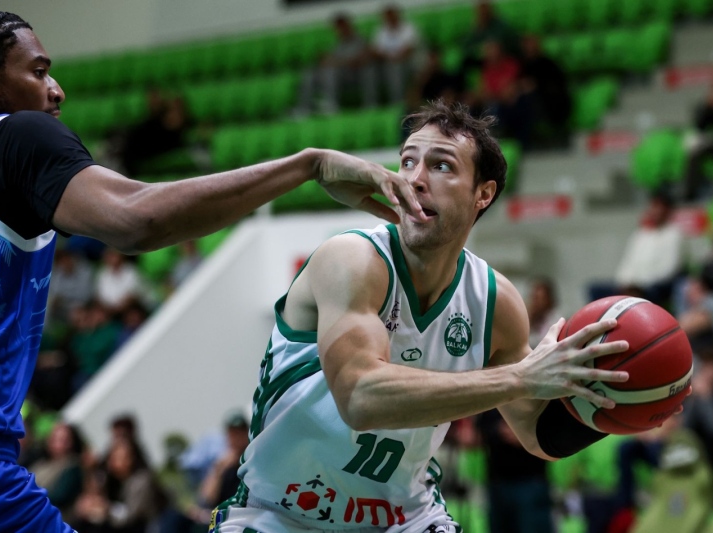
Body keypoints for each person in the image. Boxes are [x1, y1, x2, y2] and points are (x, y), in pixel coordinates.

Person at [0, 7, 416, 532]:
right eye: (38, 71)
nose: (56, 91)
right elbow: (138, 219)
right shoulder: (11, 139)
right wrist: (307, 165)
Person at [210, 101, 633, 532]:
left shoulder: (494, 301)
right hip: (281, 513)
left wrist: (625, 395)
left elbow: (538, 432)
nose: (413, 179)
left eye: (441, 166)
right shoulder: (352, 259)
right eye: (408, 161)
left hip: (404, 519)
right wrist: (520, 377)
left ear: (483, 194)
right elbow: (360, 398)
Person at [296, 13, 379, 114]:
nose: (340, 30)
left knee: (330, 71)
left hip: (352, 75)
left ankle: (332, 105)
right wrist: (326, 60)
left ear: (349, 26)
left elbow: (355, 61)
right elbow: (329, 59)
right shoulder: (338, 44)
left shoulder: (360, 41)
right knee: (309, 73)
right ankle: (304, 108)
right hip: (337, 74)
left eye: (342, 27)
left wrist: (335, 62)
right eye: (338, 28)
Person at [372, 5, 422, 104]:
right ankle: (374, 103)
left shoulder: (408, 27)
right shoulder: (381, 31)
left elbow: (410, 48)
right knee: (373, 69)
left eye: (391, 16)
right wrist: (388, 57)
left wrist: (397, 57)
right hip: (387, 62)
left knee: (396, 68)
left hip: (408, 60)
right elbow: (375, 50)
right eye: (387, 17)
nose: (389, 19)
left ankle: (398, 101)